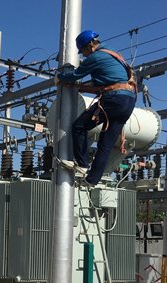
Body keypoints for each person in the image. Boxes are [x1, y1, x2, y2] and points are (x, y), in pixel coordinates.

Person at [55, 29, 137, 187]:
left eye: (83, 51)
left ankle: (82, 164)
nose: (84, 55)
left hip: (114, 99)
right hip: (128, 102)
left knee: (79, 126)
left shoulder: (96, 57)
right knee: (105, 145)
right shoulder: (114, 55)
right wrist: (81, 88)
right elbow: (108, 84)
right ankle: (91, 180)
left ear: (89, 45)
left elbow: (74, 75)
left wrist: (60, 77)